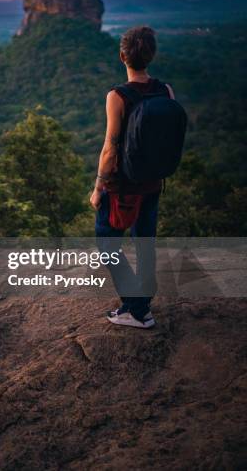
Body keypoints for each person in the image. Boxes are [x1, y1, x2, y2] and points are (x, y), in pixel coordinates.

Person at [90, 26, 175, 329]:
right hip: (152, 183)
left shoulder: (117, 96)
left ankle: (137, 309)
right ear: (150, 55)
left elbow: (110, 147)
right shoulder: (165, 91)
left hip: (122, 187)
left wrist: (99, 187)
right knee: (145, 243)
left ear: (122, 55)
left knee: (107, 244)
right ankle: (142, 305)